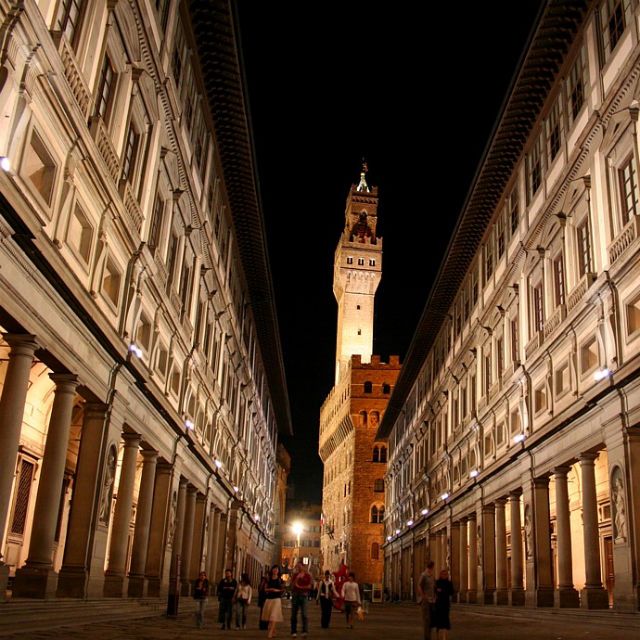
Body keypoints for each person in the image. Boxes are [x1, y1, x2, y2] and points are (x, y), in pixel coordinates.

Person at [261, 564, 284, 639]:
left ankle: (270, 632)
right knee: (270, 616)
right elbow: (265, 589)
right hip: (269, 599)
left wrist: (276, 590)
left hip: (276, 599)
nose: (275, 571)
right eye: (274, 569)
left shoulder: (280, 580)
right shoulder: (268, 579)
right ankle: (274, 631)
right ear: (272, 570)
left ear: (278, 571)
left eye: (277, 569)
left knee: (273, 616)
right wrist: (270, 589)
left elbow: (282, 590)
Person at [290, 562, 312, 637]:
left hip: (304, 596)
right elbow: (292, 586)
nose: (298, 568)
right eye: (297, 566)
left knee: (304, 614)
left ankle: (304, 631)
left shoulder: (307, 576)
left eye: (300, 566)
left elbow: (309, 586)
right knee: (294, 614)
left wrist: (301, 587)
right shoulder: (295, 575)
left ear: (303, 566)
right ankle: (293, 631)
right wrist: (297, 578)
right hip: (295, 596)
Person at [417, 560, 436, 640]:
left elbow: (434, 587)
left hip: (432, 600)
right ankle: (427, 638)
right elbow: (419, 585)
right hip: (425, 601)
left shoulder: (432, 575)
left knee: (431, 620)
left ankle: (429, 636)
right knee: (427, 619)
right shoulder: (424, 575)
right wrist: (423, 596)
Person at [434, 569, 454, 639]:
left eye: (446, 574)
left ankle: (444, 636)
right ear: (440, 575)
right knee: (438, 620)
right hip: (438, 603)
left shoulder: (449, 583)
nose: (445, 575)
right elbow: (434, 590)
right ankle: (437, 636)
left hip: (445, 603)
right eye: (443, 574)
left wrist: (442, 591)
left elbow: (451, 592)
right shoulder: (437, 582)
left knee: (445, 620)